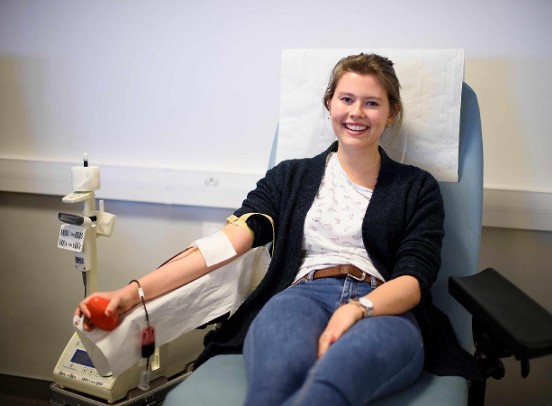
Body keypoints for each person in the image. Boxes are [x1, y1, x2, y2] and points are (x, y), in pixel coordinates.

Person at [75, 53, 478, 405]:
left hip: (383, 305)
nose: (356, 112)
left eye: (371, 103)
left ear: (391, 113)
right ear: (329, 103)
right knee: (274, 384)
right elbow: (222, 247)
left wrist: (358, 309)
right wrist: (131, 293)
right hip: (301, 297)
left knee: (333, 384)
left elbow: (413, 280)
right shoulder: (290, 178)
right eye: (346, 99)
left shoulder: (416, 187)